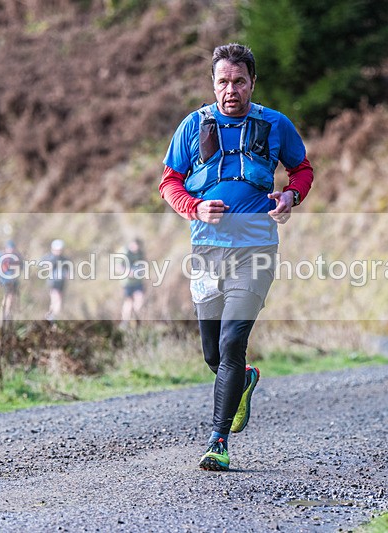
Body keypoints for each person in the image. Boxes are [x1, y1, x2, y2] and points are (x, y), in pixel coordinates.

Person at [159, 43, 313, 471]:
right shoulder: (192, 126)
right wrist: (194, 207)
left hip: (257, 250)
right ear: (213, 83)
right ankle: (243, 379)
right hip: (207, 251)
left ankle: (218, 441)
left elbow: (302, 170)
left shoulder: (276, 124)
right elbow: (170, 182)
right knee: (213, 353)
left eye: (239, 81)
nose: (231, 90)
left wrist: (290, 196)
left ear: (252, 83)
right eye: (223, 81)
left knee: (231, 342)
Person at [41, 239, 71, 322]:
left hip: (62, 283)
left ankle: (50, 317)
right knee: (57, 299)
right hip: (53, 282)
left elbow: (68, 268)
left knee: (56, 301)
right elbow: (42, 265)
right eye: (57, 250)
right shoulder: (49, 257)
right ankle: (53, 318)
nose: (59, 252)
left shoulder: (64, 259)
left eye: (60, 250)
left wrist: (67, 273)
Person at [0, 240, 22, 320]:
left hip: (13, 280)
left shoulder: (17, 256)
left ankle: (7, 312)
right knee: (9, 295)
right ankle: (6, 313)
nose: (11, 250)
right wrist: (0, 273)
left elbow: (21, 266)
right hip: (5, 280)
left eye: (12, 249)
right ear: (6, 248)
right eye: (9, 248)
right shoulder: (0, 255)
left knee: (12, 297)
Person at [119, 238, 146, 327]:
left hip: (138, 282)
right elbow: (118, 267)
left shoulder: (140, 253)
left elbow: (144, 265)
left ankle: (136, 320)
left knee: (139, 301)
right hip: (127, 283)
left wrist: (140, 271)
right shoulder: (124, 252)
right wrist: (127, 272)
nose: (135, 248)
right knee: (128, 303)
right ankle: (125, 323)